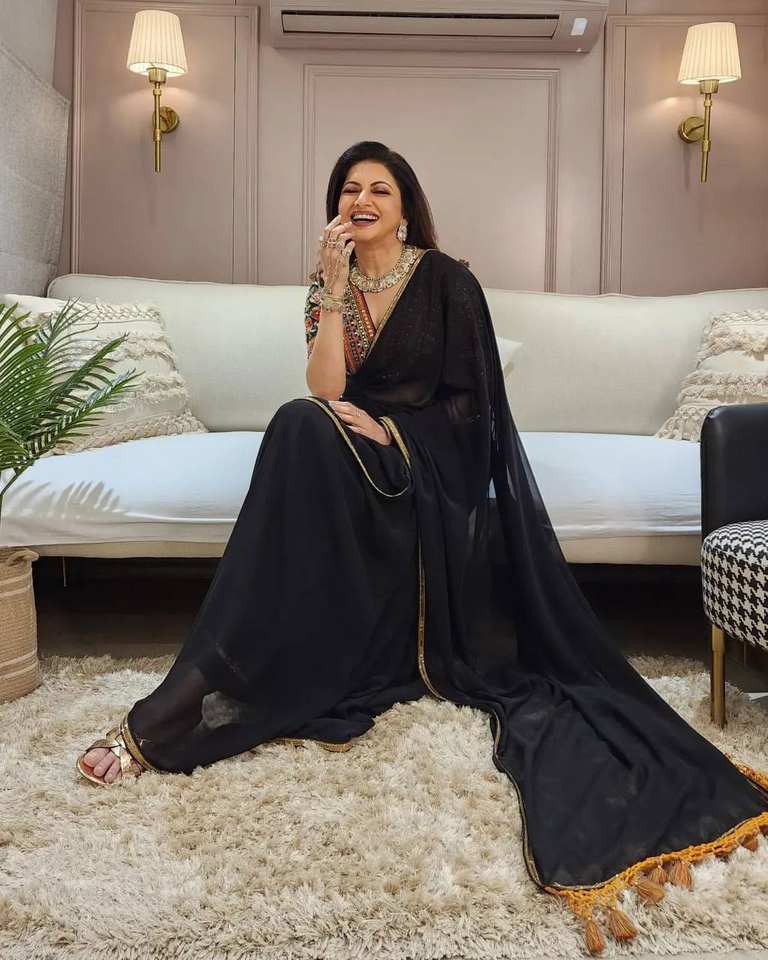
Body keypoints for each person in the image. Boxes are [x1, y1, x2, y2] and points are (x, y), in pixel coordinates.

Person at [76, 141, 768, 954]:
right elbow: (326, 391)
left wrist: (395, 433)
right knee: (301, 423)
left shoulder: (447, 282)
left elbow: (477, 414)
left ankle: (177, 703)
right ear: (336, 208)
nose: (363, 200)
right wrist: (333, 290)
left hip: (425, 479)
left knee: (302, 430)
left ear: (405, 208)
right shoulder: (326, 286)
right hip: (352, 469)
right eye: (350, 189)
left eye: (380, 189)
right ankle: (202, 681)